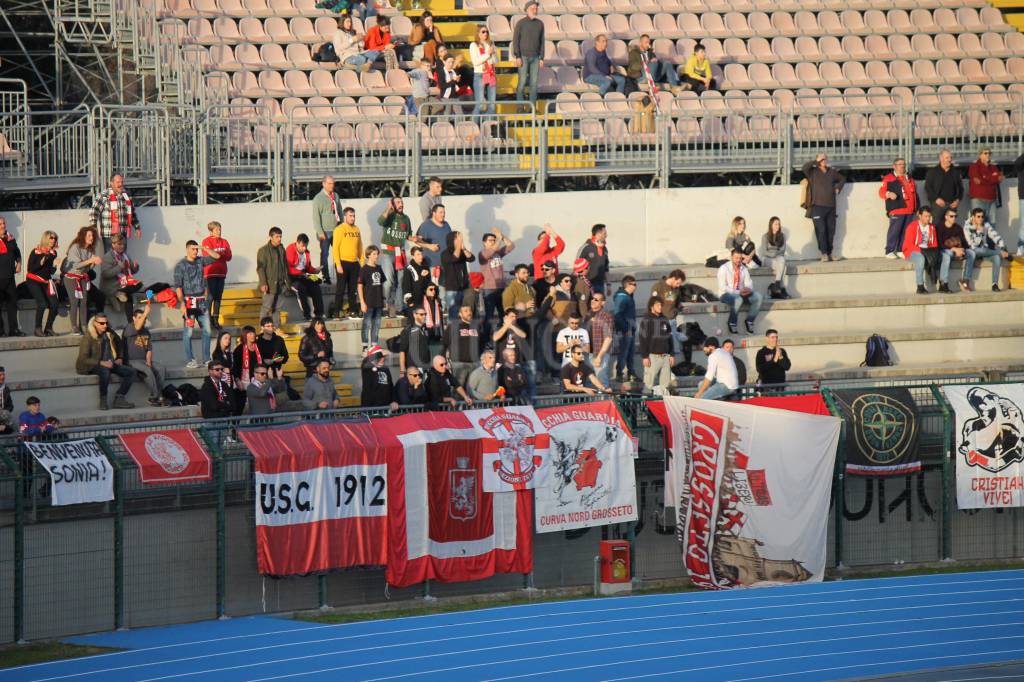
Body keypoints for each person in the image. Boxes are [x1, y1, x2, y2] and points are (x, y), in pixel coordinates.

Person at [173, 239, 219, 369]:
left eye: (196, 249)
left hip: (201, 302)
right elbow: (178, 287)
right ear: (187, 249)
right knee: (188, 333)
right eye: (193, 249)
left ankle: (206, 359)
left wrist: (204, 247)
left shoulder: (200, 260)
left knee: (207, 331)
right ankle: (190, 359)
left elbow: (217, 257)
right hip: (188, 302)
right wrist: (182, 303)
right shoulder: (180, 265)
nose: (195, 251)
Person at [76, 313, 135, 410]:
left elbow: (119, 343)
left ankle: (119, 398)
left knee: (131, 372)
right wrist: (101, 363)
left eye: (106, 323)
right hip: (93, 365)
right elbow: (83, 359)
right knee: (105, 371)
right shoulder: (88, 337)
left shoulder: (109, 332)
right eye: (102, 323)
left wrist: (120, 357)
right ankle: (103, 400)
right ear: (95, 323)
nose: (105, 325)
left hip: (110, 363)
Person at [802, 153, 846, 262]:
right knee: (821, 231)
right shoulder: (813, 172)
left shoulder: (831, 172)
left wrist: (838, 188)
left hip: (831, 207)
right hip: (817, 207)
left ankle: (830, 253)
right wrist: (815, 162)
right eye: (821, 159)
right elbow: (804, 168)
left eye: (825, 158)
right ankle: (824, 253)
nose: (823, 160)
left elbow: (842, 179)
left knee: (831, 231)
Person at [377, 196, 415, 316]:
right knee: (388, 282)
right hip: (388, 253)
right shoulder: (390, 215)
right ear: (393, 204)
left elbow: (408, 235)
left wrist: (416, 239)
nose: (401, 204)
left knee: (401, 281)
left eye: (402, 202)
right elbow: (380, 221)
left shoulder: (406, 219)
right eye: (398, 202)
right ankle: (386, 305)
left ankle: (399, 307)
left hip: (400, 253)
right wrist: (388, 209)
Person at [62, 225, 102, 336]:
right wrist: (90, 260)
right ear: (83, 236)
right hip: (71, 277)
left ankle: (83, 325)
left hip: (82, 277)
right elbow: (76, 266)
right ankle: (74, 327)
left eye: (93, 235)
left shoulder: (90, 249)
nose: (91, 237)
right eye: (89, 235)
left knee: (84, 302)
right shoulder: (75, 247)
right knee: (74, 301)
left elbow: (87, 268)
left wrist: (93, 263)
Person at [122, 302, 164, 407]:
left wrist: (149, 361)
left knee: (161, 368)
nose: (143, 320)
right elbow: (137, 327)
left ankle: (157, 395)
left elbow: (149, 349)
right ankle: (155, 397)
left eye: (144, 318)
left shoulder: (146, 332)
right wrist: (145, 313)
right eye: (139, 317)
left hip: (143, 360)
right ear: (134, 318)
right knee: (147, 370)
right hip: (130, 361)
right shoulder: (129, 327)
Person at [89, 173, 141, 253]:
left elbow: (132, 213)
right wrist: (94, 227)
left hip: (122, 234)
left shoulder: (126, 195)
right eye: (118, 182)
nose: (121, 184)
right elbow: (94, 211)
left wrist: (137, 227)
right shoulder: (104, 195)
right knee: (110, 259)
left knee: (122, 259)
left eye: (122, 182)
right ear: (111, 183)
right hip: (108, 235)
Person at [98, 233, 142, 323]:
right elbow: (105, 274)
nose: (122, 246)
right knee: (129, 295)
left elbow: (131, 271)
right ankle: (130, 322)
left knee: (139, 284)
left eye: (123, 244)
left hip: (123, 284)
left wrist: (136, 267)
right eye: (119, 244)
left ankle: (130, 322)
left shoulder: (125, 256)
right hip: (111, 286)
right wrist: (119, 267)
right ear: (113, 244)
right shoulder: (107, 257)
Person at [879, 158, 918, 258]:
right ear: (894, 166)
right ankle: (889, 251)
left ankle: (901, 249)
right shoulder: (889, 178)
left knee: (906, 231)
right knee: (894, 230)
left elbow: (914, 194)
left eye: (903, 164)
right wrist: (889, 194)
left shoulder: (909, 177)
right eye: (900, 164)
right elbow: (881, 192)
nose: (902, 166)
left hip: (910, 210)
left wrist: (916, 207)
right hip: (897, 210)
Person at [493, 307, 534, 399]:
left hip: (516, 363)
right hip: (502, 364)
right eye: (511, 316)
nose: (514, 318)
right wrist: (506, 326)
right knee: (501, 387)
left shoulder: (518, 327)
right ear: (505, 317)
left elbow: (523, 335)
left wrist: (511, 326)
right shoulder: (499, 326)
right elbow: (495, 337)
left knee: (517, 387)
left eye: (515, 316)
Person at [718, 249, 762, 335]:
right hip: (726, 294)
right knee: (738, 299)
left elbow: (749, 283)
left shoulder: (744, 268)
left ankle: (749, 321)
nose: (738, 260)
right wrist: (738, 292)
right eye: (736, 258)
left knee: (758, 297)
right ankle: (732, 323)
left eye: (740, 258)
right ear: (731, 258)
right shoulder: (724, 268)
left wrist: (748, 289)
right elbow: (722, 286)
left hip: (741, 293)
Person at [965, 207, 1009, 292]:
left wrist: (1002, 246)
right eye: (978, 216)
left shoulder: (986, 225)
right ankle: (1000, 252)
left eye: (982, 216)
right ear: (973, 217)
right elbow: (973, 245)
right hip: (973, 251)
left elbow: (995, 236)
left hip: (985, 252)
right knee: (980, 251)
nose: (981, 218)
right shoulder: (968, 226)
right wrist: (979, 232)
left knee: (996, 257)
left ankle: (994, 284)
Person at [332, 206, 365, 319]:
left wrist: (362, 263)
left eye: (354, 216)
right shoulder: (339, 229)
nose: (353, 218)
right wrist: (338, 264)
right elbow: (335, 248)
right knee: (340, 289)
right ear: (345, 216)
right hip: (343, 262)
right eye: (350, 216)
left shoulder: (356, 229)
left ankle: (353, 311)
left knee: (353, 289)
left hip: (354, 263)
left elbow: (360, 247)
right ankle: (336, 311)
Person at [478, 228, 514, 329]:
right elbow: (491, 251)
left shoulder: (498, 253)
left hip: (501, 287)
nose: (493, 242)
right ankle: (486, 340)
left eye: (494, 240)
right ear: (484, 243)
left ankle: (502, 336)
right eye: (490, 240)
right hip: (489, 288)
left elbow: (511, 246)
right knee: (489, 315)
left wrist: (501, 235)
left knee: (503, 313)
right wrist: (498, 238)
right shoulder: (482, 253)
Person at [25, 230, 59, 337]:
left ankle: (48, 328)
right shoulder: (36, 251)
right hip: (33, 280)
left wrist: (54, 267)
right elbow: (30, 269)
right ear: (46, 239)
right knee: (42, 303)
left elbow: (49, 271)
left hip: (45, 281)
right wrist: (41, 262)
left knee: (55, 304)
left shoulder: (53, 253)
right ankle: (37, 329)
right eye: (51, 238)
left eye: (55, 238)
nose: (53, 240)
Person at [902, 206, 941, 295]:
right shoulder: (912, 226)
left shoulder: (932, 228)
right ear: (919, 216)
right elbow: (909, 245)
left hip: (927, 251)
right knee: (920, 258)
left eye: (929, 216)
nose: (928, 218)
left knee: (943, 256)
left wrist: (932, 253)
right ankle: (920, 286)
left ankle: (943, 284)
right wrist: (922, 251)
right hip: (912, 252)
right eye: (926, 216)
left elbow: (934, 244)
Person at [512, 0, 545, 107]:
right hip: (523, 57)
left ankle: (532, 109)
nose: (535, 10)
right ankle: (520, 108)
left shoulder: (540, 23)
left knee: (534, 85)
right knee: (521, 83)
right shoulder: (520, 23)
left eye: (536, 8)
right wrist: (517, 56)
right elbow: (515, 40)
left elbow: (542, 41)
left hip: (536, 58)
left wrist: (542, 57)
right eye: (532, 8)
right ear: (527, 10)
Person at [286, 233, 325, 320]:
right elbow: (289, 268)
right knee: (301, 288)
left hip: (304, 275)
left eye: (306, 246)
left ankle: (319, 313)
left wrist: (315, 270)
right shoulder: (290, 250)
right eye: (302, 246)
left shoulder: (306, 252)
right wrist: (302, 274)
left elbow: (308, 268)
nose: (304, 248)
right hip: (293, 277)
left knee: (317, 284)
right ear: (297, 243)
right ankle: (307, 314)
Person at [638, 297, 673, 395]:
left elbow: (670, 337)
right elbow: (642, 339)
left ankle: (663, 406)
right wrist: (645, 356)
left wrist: (672, 354)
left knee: (665, 387)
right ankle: (644, 407)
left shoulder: (664, 319)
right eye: (658, 305)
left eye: (661, 305)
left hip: (665, 357)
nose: (660, 307)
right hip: (653, 357)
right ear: (651, 306)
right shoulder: (646, 320)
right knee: (648, 385)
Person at [201, 221, 232, 328]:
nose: (219, 231)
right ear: (211, 231)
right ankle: (208, 321)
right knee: (210, 297)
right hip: (210, 274)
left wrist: (218, 254)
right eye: (216, 230)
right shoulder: (206, 241)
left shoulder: (224, 241)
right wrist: (219, 255)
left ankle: (216, 320)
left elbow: (229, 256)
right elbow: (209, 256)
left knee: (218, 298)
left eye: (220, 229)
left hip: (221, 273)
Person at [937, 208, 975, 293]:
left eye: (955, 216)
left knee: (971, 253)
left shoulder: (958, 228)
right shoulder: (939, 227)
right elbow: (939, 244)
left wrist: (961, 250)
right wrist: (954, 249)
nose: (954, 218)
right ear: (946, 217)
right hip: (943, 251)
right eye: (951, 216)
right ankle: (943, 284)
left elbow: (965, 243)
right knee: (947, 254)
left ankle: (965, 281)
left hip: (956, 252)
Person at [256, 227, 288, 327]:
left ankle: (277, 328)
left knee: (277, 309)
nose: (279, 239)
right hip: (269, 284)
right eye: (277, 236)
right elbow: (260, 268)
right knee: (266, 308)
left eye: (280, 236)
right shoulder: (263, 250)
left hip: (281, 284)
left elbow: (285, 266)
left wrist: (288, 282)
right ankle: (263, 328)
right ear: (271, 237)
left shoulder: (282, 249)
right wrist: (263, 283)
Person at [312, 176, 341, 284]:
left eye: (333, 183)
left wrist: (342, 226)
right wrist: (320, 232)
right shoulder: (318, 198)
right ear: (323, 184)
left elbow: (340, 211)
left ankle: (340, 275)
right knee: (325, 254)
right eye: (329, 183)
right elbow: (316, 217)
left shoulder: (335, 196)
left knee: (339, 253)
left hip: (337, 230)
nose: (331, 186)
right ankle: (326, 276)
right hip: (325, 231)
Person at [612, 275, 640, 383]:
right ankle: (619, 374)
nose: (636, 286)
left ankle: (631, 373)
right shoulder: (622, 297)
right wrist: (626, 329)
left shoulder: (628, 296)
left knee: (630, 353)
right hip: (625, 331)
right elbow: (617, 315)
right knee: (624, 352)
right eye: (634, 284)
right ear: (628, 285)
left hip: (630, 329)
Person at [441, 230, 474, 318]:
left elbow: (471, 258)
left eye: (460, 239)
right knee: (453, 315)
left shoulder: (462, 251)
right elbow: (455, 258)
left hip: (464, 288)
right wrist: (459, 245)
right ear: (451, 240)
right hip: (452, 289)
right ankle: (452, 331)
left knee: (466, 315)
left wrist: (464, 248)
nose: (460, 240)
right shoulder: (445, 253)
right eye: (458, 239)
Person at [445, 304, 481, 387]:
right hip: (459, 364)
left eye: (470, 311)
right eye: (466, 311)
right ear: (460, 314)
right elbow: (445, 343)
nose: (469, 313)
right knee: (458, 389)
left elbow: (481, 343)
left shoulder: (477, 326)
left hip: (475, 363)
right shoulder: (453, 326)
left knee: (473, 389)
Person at [358, 245, 386, 349]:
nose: (376, 256)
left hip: (378, 301)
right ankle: (365, 346)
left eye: (377, 254)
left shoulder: (379, 268)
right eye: (374, 254)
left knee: (377, 324)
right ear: (368, 255)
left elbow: (381, 284)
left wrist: (384, 299)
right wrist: (362, 302)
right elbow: (360, 286)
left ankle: (374, 345)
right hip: (368, 302)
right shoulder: (364, 269)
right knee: (366, 324)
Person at [925, 149, 964, 220]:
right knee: (936, 225)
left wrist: (957, 200)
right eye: (947, 158)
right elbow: (928, 187)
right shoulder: (933, 172)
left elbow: (961, 188)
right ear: (941, 158)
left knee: (951, 227)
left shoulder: (956, 173)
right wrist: (936, 199)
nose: (949, 160)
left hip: (952, 205)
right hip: (938, 205)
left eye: (950, 158)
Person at [587, 292, 615, 389]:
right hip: (587, 354)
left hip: (599, 354)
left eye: (596, 300)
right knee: (590, 384)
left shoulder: (606, 316)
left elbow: (608, 337)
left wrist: (600, 356)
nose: (593, 301)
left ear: (603, 303)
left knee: (602, 383)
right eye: (592, 298)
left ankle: (605, 403)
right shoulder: (588, 314)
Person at [0, 217, 22, 338]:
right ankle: (0, 331)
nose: (3, 226)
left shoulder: (10, 238)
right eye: (0, 224)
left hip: (10, 278)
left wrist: (19, 263)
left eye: (4, 223)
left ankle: (14, 330)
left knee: (12, 304)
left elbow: (17, 253)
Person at [416, 203, 450, 280]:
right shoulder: (426, 225)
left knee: (443, 290)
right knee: (433, 289)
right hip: (431, 265)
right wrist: (429, 246)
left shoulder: (446, 225)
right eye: (440, 212)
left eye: (444, 212)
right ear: (434, 213)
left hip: (445, 265)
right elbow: (417, 241)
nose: (443, 215)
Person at [212, 331, 243, 415]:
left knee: (238, 403)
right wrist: (226, 369)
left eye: (229, 339)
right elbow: (221, 368)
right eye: (225, 338)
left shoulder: (229, 354)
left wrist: (237, 379)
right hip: (223, 383)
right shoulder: (216, 354)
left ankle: (233, 425)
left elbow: (232, 369)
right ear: (220, 339)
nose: (228, 341)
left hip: (232, 382)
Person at [231, 325, 261, 414]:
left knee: (256, 408)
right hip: (243, 383)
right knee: (239, 407)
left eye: (253, 333)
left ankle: (254, 427)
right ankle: (234, 427)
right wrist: (237, 380)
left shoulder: (259, 347)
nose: (252, 335)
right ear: (245, 335)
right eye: (249, 333)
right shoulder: (239, 349)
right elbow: (235, 367)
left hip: (257, 382)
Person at [968, 148, 1004, 220]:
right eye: (985, 153)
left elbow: (999, 179)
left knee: (992, 225)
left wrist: (984, 179)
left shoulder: (993, 167)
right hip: (978, 199)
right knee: (977, 226)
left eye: (989, 153)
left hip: (992, 200)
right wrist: (993, 178)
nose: (988, 155)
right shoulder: (974, 167)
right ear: (980, 155)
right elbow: (977, 181)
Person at [471, 25, 498, 120]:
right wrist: (488, 54)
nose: (485, 33)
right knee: (480, 104)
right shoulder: (474, 45)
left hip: (490, 74)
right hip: (480, 74)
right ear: (478, 33)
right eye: (483, 32)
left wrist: (493, 53)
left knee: (492, 104)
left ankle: (488, 129)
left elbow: (496, 61)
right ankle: (473, 128)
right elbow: (476, 62)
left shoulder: (490, 44)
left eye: (487, 31)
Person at [399, 306, 432, 376]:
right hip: (413, 368)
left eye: (425, 314)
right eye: (421, 314)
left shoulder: (426, 329)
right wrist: (402, 370)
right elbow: (402, 351)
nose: (424, 316)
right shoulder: (408, 330)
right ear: (414, 315)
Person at [578, 224, 610, 294]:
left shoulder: (605, 249)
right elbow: (577, 267)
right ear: (598, 234)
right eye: (605, 233)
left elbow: (606, 268)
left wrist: (608, 285)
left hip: (600, 285)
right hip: (587, 284)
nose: (606, 235)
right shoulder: (585, 247)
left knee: (599, 304)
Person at [762, 217, 790, 299]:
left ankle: (776, 286)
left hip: (778, 258)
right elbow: (764, 252)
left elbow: (783, 250)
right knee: (783, 266)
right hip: (767, 259)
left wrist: (776, 254)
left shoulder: (782, 236)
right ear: (771, 225)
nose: (778, 226)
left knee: (782, 260)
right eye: (776, 224)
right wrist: (773, 254)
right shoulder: (765, 236)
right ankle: (782, 288)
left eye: (779, 224)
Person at [401, 246, 433, 311]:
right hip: (414, 301)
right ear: (413, 256)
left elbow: (429, 284)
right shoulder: (409, 268)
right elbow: (406, 285)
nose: (421, 256)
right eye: (418, 254)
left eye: (421, 254)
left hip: (425, 301)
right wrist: (409, 301)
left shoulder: (426, 268)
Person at [1015, 152, 1024, 256]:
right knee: (1023, 225)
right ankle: (1021, 247)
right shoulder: (1021, 163)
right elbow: (1017, 164)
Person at [0, 366, 12, 434]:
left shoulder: (6, 389)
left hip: (4, 418)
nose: (2, 377)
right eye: (0, 375)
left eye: (3, 374)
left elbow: (10, 406)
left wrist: (5, 412)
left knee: (11, 429)